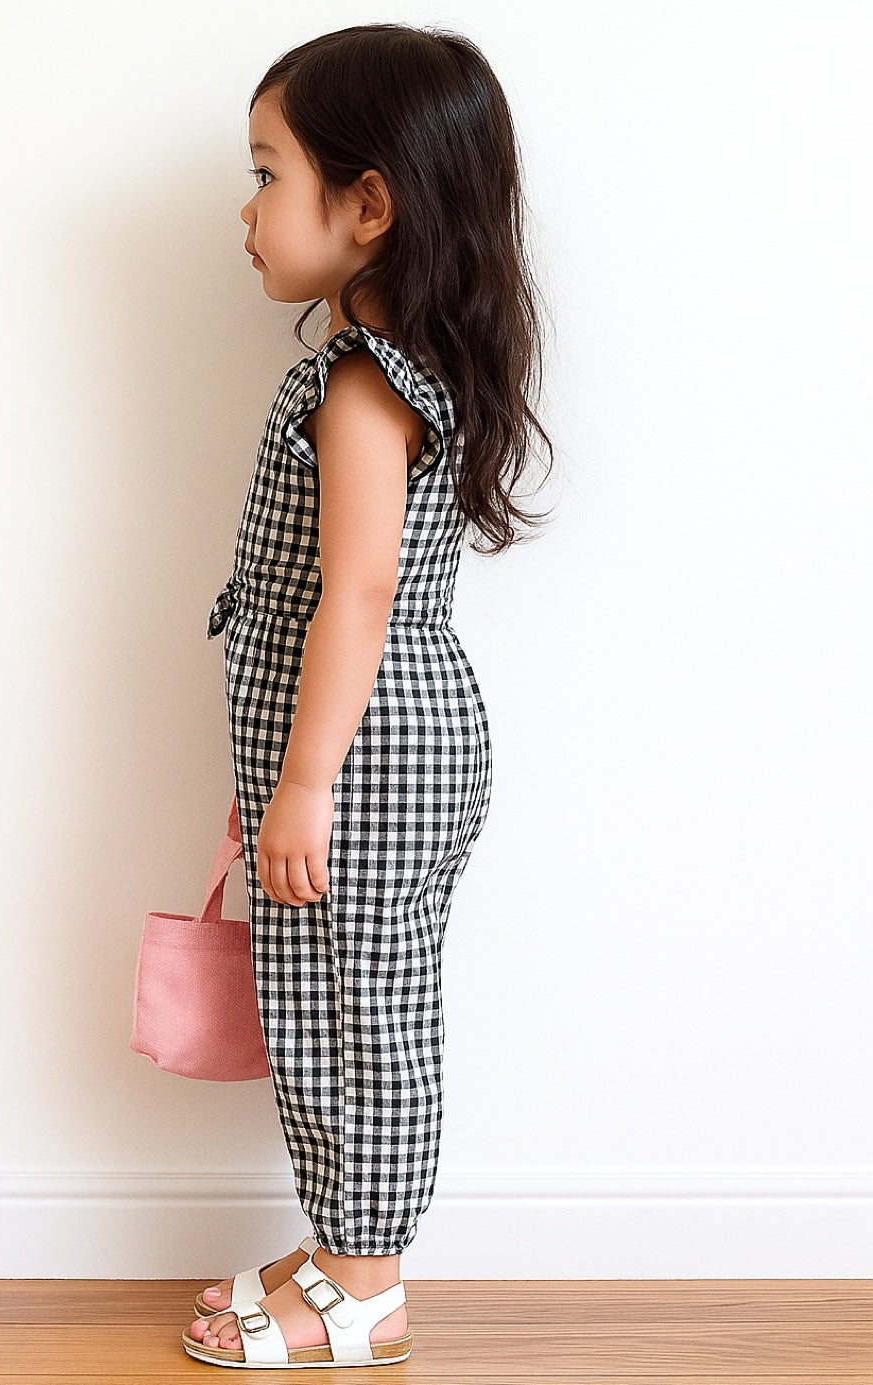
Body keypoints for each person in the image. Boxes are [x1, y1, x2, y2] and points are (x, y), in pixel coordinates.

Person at [183, 21, 554, 1371]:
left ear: (370, 204)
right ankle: (345, 1235)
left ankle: (369, 1278)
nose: (247, 204)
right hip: (389, 741)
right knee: (338, 992)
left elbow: (357, 596)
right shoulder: (382, 371)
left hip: (370, 751)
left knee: (359, 1006)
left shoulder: (360, 383)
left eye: (268, 171)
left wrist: (303, 781)